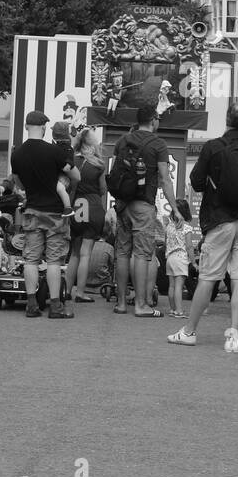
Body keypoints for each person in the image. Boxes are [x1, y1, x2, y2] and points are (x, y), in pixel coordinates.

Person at [168, 104, 238, 352]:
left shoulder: (213, 147)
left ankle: (189, 331)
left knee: (208, 277)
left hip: (219, 219)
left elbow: (196, 181)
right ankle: (234, 335)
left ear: (226, 120)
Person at [11, 110, 80, 319]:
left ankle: (31, 305)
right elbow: (76, 175)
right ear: (43, 128)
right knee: (53, 261)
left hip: (32, 210)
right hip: (55, 213)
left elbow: (18, 182)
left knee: (30, 259)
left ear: (25, 127)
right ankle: (56, 307)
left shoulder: (17, 153)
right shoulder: (54, 152)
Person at [107, 104, 174, 317]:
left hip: (122, 204)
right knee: (143, 253)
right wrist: (175, 208)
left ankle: (120, 303)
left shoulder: (123, 140)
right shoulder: (158, 144)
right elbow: (164, 179)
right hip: (143, 205)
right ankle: (141, 304)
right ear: (153, 119)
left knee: (123, 252)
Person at [65, 127, 108, 304]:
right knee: (85, 254)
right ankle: (80, 293)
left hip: (75, 207)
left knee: (74, 253)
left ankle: (67, 290)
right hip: (93, 207)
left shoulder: (72, 161)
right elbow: (103, 189)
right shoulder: (98, 164)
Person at [165, 199, 198, 319]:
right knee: (179, 285)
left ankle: (172, 309)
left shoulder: (169, 226)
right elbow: (189, 246)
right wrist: (193, 261)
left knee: (172, 286)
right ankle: (179, 311)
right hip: (180, 258)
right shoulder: (186, 228)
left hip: (170, 258)